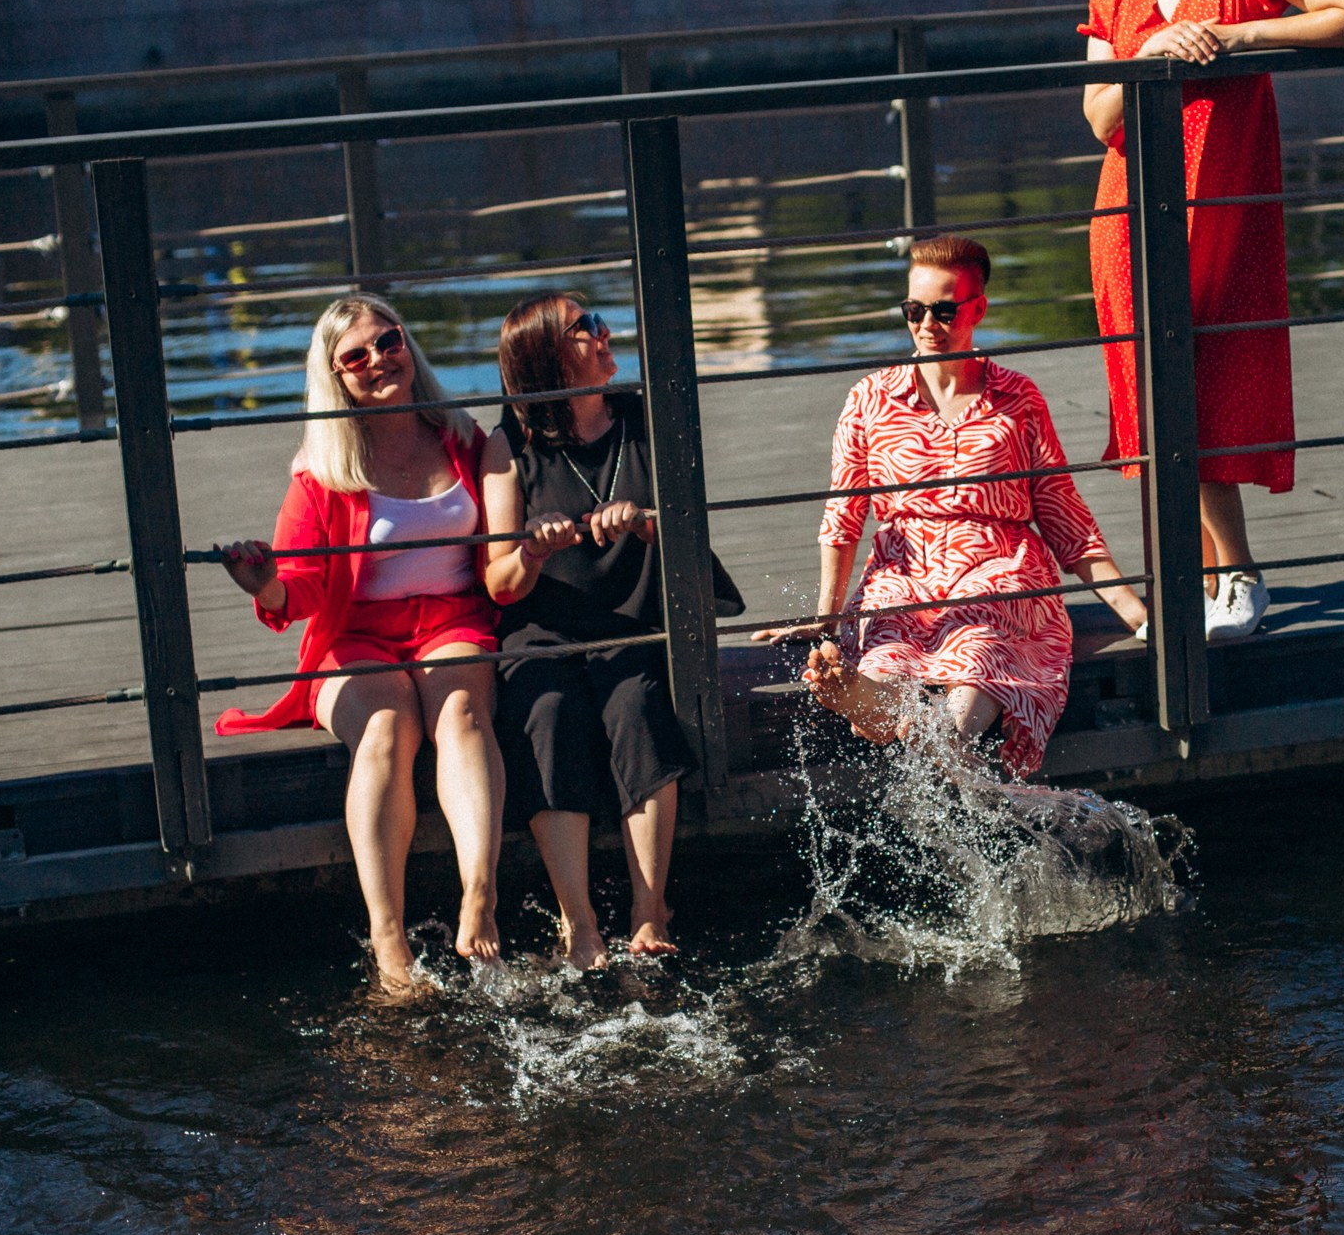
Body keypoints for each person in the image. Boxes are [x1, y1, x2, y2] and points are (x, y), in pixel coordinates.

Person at [1080, 0, 1344, 641]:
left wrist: (1237, 35)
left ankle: (1234, 577)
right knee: (1155, 400)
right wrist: (1151, 48)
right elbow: (1098, 115)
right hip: (1133, 215)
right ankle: (1204, 583)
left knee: (1211, 387)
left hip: (1227, 211)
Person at [758, 237, 1149, 776]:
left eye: (944, 310)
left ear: (978, 309)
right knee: (887, 645)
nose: (927, 325)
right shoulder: (869, 398)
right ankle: (890, 713)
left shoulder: (1017, 399)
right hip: (904, 570)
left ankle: (928, 732)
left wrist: (1135, 613)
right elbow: (844, 515)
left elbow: (1065, 517)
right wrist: (825, 619)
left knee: (981, 641)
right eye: (914, 311)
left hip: (999, 567)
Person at [215, 296, 508, 993]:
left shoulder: (464, 438)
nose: (379, 360)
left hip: (452, 620)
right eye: (357, 356)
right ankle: (389, 942)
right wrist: (265, 586)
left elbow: (503, 543)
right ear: (336, 377)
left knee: (460, 715)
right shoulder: (321, 469)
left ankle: (480, 895)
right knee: (385, 728)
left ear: (409, 346)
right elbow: (304, 589)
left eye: (389, 341)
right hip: (354, 634)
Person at [483, 293, 743, 967]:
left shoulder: (645, 418)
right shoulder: (507, 445)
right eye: (585, 329)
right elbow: (499, 583)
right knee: (547, 710)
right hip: (544, 631)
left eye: (598, 322)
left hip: (631, 620)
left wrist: (645, 519)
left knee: (637, 703)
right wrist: (533, 551)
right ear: (545, 356)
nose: (604, 335)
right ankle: (579, 924)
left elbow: (692, 535)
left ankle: (649, 908)